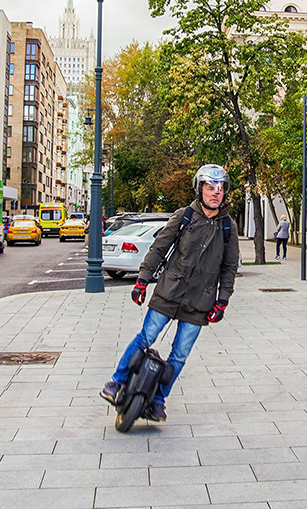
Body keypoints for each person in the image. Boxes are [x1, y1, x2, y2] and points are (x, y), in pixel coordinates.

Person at [100, 164, 240, 423]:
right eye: (210, 187)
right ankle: (116, 383)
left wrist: (222, 301)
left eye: (220, 189)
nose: (215, 193)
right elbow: (159, 248)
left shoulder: (228, 227)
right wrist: (142, 280)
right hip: (169, 291)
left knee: (179, 355)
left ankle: (158, 401)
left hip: (200, 302)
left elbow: (229, 267)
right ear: (200, 189)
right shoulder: (184, 216)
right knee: (146, 338)